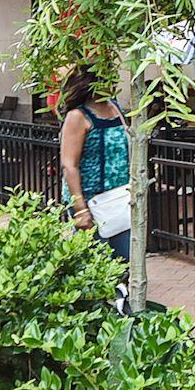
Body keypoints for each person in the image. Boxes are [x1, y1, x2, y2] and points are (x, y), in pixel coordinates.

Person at [55, 65, 132, 263]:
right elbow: (69, 165)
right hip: (91, 199)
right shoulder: (77, 116)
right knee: (95, 261)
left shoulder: (114, 107)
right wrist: (80, 209)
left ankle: (120, 293)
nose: (113, 84)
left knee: (124, 259)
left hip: (119, 197)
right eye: (107, 80)